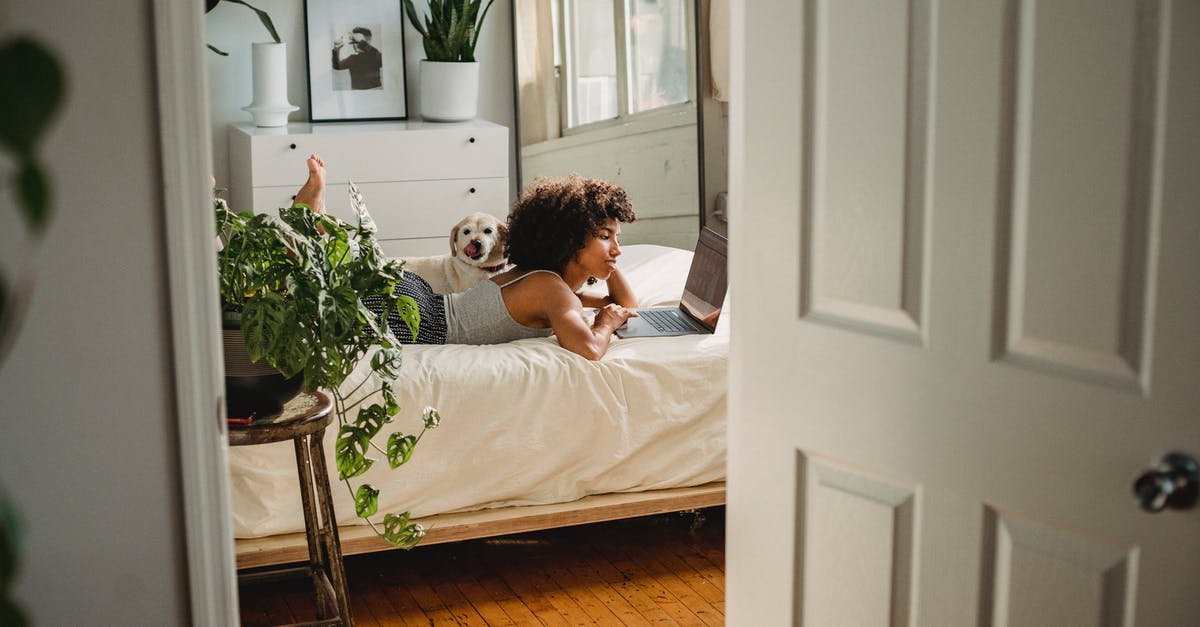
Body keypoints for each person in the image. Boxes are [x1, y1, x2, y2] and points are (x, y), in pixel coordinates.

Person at [292, 155, 640, 361]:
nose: (616, 249)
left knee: (341, 273)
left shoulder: (549, 284)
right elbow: (589, 350)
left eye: (617, 239)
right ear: (568, 239)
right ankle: (308, 223)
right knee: (315, 284)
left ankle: (316, 222)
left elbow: (625, 304)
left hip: (420, 301)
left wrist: (609, 261)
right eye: (604, 236)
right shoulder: (554, 292)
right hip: (423, 321)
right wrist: (604, 324)